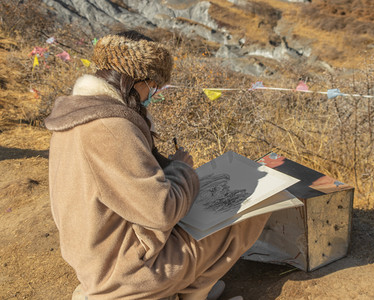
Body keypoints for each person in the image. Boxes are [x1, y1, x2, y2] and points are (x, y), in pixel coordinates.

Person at [45, 30, 271, 300]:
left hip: (97, 263)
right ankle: (190, 293)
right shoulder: (111, 129)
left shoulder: (75, 118)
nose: (153, 93)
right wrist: (182, 169)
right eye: (152, 84)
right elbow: (162, 211)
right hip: (132, 273)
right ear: (134, 81)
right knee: (248, 215)